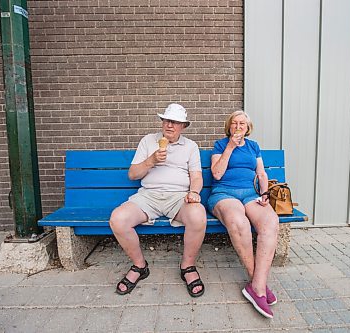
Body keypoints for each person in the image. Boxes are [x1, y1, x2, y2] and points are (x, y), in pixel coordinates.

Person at [109, 103, 207, 297]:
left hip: (179, 197)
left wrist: (194, 192)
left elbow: (196, 176)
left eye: (176, 122)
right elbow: (132, 174)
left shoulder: (190, 146)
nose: (170, 125)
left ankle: (187, 266)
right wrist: (150, 161)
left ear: (183, 126)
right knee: (118, 219)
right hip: (148, 196)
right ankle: (140, 266)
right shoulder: (148, 141)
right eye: (167, 120)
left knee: (198, 216)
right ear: (162, 122)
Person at [207, 110, 279, 318]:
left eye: (242, 124)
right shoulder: (221, 145)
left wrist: (265, 193)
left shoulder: (253, 147)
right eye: (235, 123)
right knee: (239, 221)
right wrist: (230, 146)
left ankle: (256, 285)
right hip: (224, 193)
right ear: (229, 126)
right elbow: (217, 173)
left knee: (270, 221)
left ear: (248, 128)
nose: (238, 126)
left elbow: (261, 173)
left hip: (250, 194)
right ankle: (258, 286)